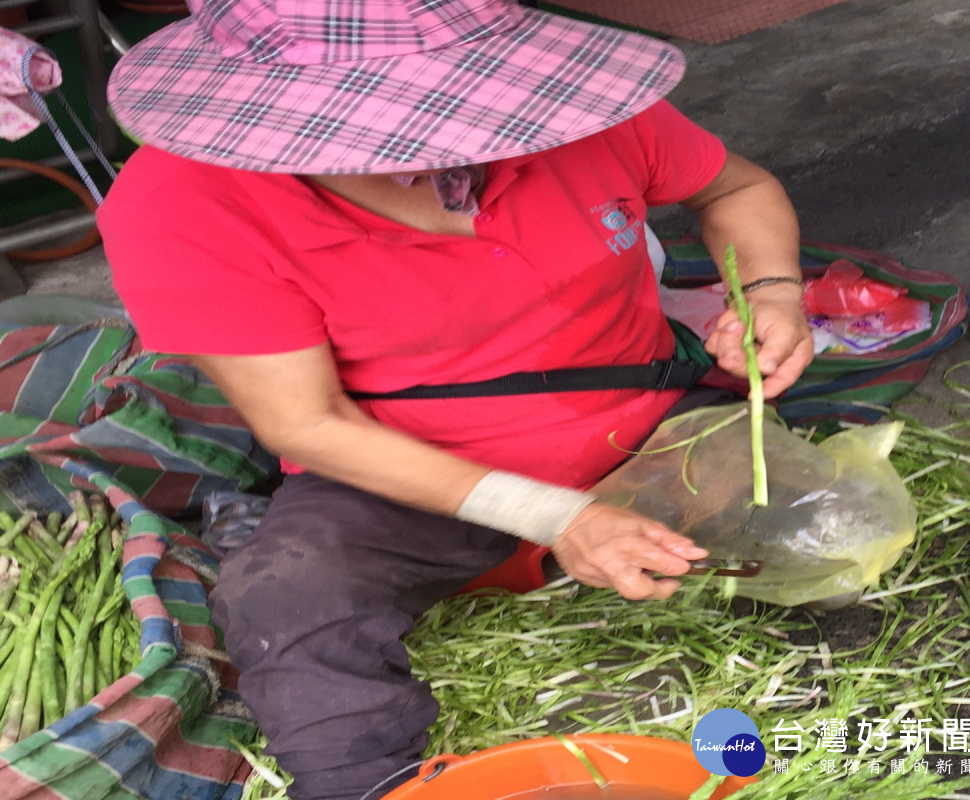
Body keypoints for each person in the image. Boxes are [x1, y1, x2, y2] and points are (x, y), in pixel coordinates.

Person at [98, 0, 815, 797]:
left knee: (816, 525)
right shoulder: (184, 204)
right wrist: (558, 518)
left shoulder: (578, 109)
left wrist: (771, 293)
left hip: (644, 421)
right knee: (286, 599)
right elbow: (305, 422)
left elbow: (736, 188)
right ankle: (377, 785)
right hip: (407, 472)